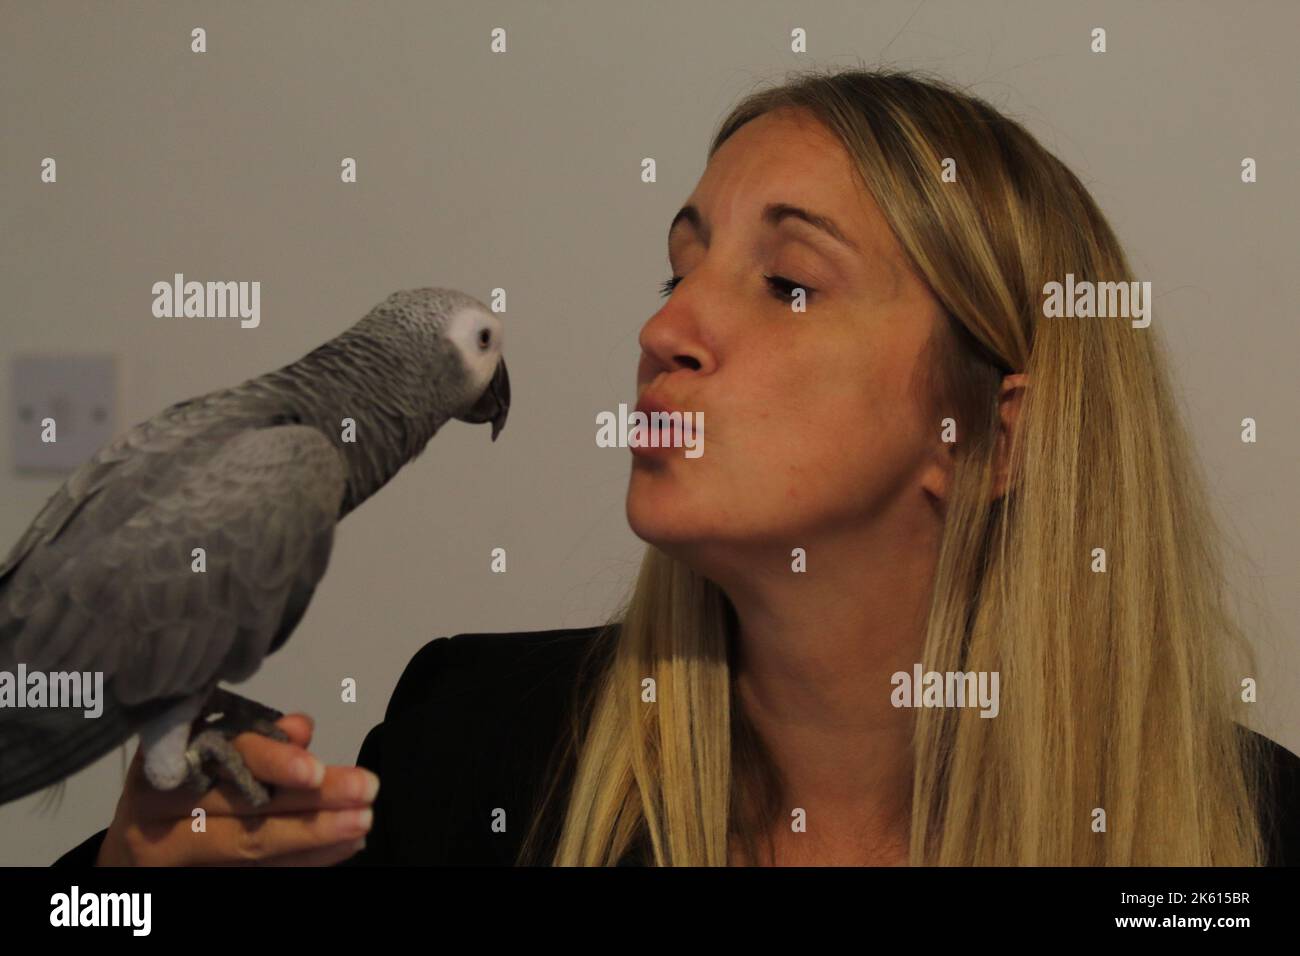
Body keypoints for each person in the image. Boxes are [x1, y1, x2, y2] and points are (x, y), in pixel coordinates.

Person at [55, 67, 1300, 867]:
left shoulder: (1246, 835)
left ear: (990, 439)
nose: (662, 333)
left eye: (789, 283)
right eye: (677, 269)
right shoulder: (474, 750)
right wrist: (124, 890)